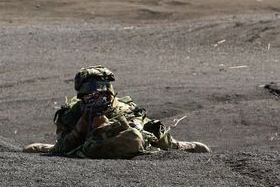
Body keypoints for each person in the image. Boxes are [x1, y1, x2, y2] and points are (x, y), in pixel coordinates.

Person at [23, 66, 211, 158]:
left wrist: (106, 124)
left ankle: (178, 146)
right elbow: (61, 147)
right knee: (34, 149)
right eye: (91, 95)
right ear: (82, 96)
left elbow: (138, 136)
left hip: (131, 138)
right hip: (85, 145)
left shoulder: (123, 108)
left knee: (147, 137)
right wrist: (81, 127)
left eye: (104, 94)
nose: (98, 98)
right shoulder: (72, 113)